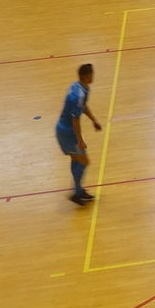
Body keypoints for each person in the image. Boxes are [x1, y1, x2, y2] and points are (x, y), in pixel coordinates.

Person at [55, 63, 102, 206]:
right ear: (86, 76)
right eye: (92, 74)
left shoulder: (79, 87)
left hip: (63, 129)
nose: (93, 76)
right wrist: (80, 140)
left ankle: (78, 191)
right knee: (84, 161)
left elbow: (83, 107)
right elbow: (75, 119)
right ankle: (76, 193)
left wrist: (93, 120)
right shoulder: (79, 95)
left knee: (76, 159)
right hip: (67, 133)